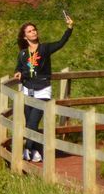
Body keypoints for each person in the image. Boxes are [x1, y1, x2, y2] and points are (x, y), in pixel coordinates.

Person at [13, 15, 74, 163]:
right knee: (29, 123)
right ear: (24, 36)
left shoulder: (45, 48)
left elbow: (61, 43)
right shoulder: (22, 53)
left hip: (43, 90)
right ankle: (35, 151)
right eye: (29, 31)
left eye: (34, 30)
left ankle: (27, 149)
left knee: (33, 122)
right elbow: (19, 69)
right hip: (27, 90)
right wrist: (18, 73)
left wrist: (69, 28)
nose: (33, 32)